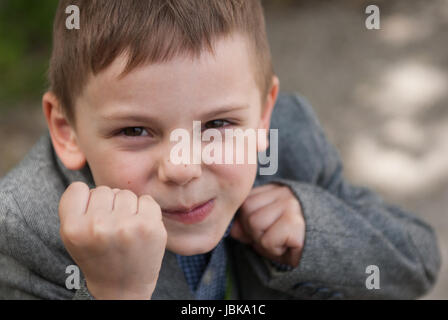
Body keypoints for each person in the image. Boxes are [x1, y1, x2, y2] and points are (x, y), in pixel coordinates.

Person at [0, 0, 441, 300]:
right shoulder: (23, 227)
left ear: (265, 115)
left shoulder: (293, 141)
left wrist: (315, 230)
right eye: (135, 129)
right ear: (67, 129)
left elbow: (417, 264)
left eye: (218, 125)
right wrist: (119, 293)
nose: (183, 168)